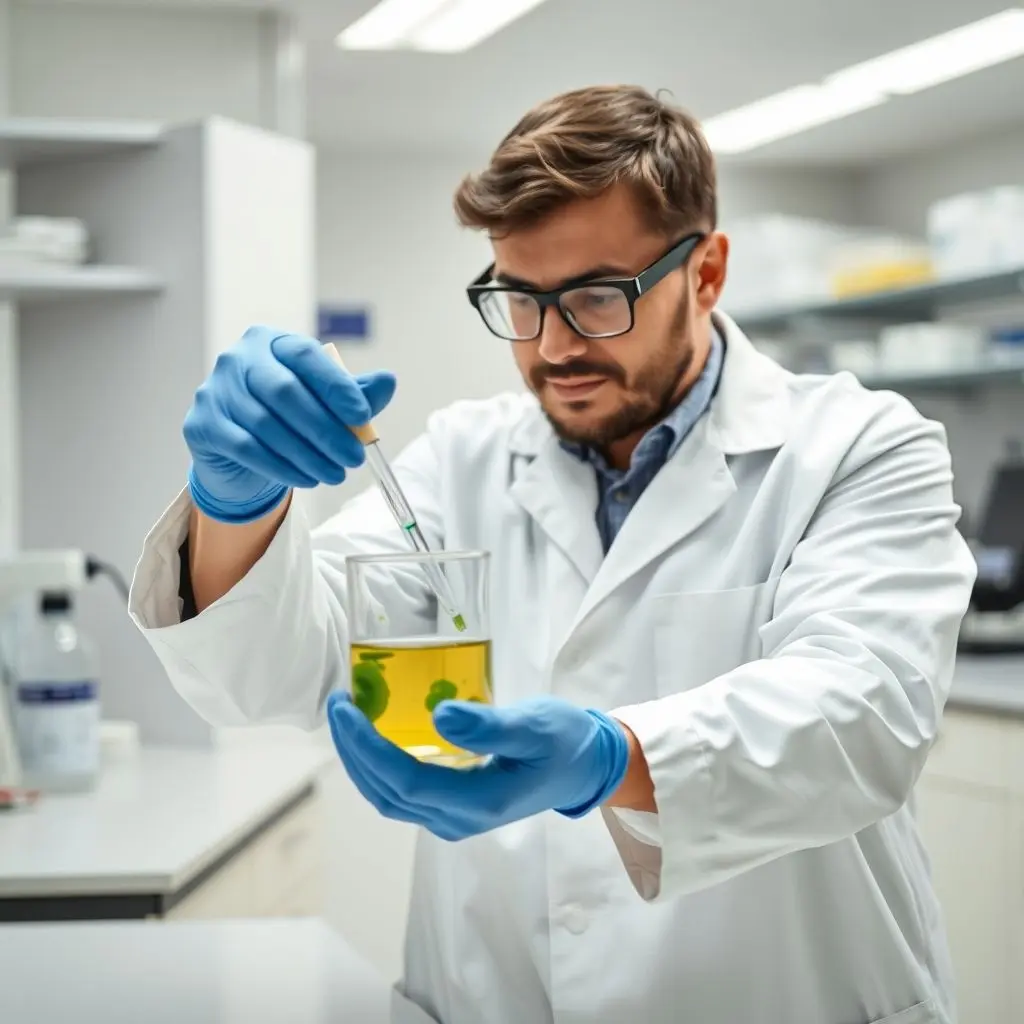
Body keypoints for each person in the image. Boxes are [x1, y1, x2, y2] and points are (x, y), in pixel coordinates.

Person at [129, 84, 976, 1024]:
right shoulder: (463, 459)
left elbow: (865, 712)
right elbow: (279, 669)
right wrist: (234, 504)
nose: (553, 345)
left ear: (705, 273)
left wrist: (613, 758)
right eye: (518, 300)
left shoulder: (859, 447)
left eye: (597, 297)